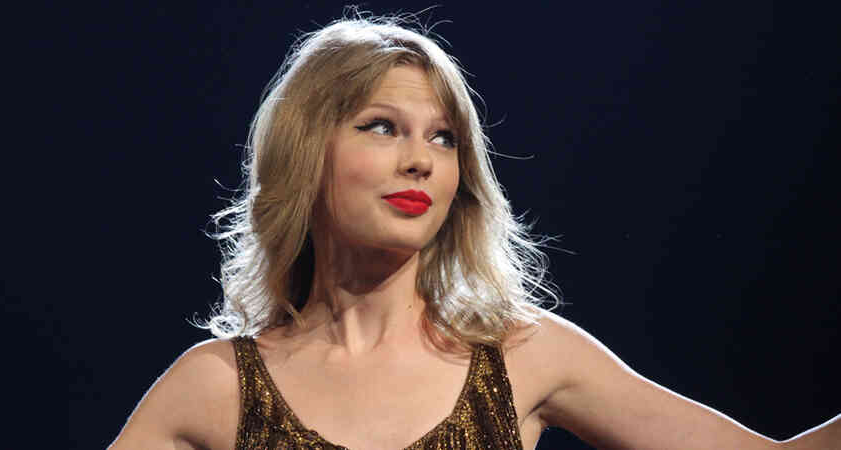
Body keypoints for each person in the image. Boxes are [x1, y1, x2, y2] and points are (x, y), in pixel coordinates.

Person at [110, 15, 839, 450]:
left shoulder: (524, 355)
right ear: (306, 154)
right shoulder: (217, 386)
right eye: (382, 127)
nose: (420, 160)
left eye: (444, 138)